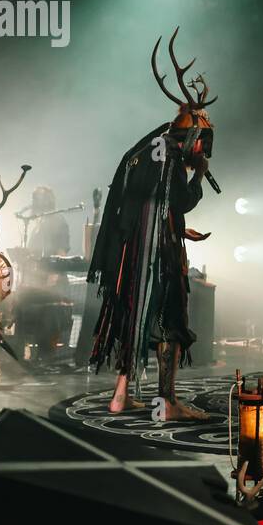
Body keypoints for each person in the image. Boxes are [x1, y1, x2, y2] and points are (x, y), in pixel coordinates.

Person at [87, 29, 216, 418]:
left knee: (131, 316)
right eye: (202, 141)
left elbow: (145, 204)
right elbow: (179, 201)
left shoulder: (143, 150)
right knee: (170, 321)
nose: (202, 149)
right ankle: (167, 402)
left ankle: (120, 396)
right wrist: (198, 178)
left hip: (128, 256)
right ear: (192, 134)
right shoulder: (172, 158)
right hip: (155, 258)